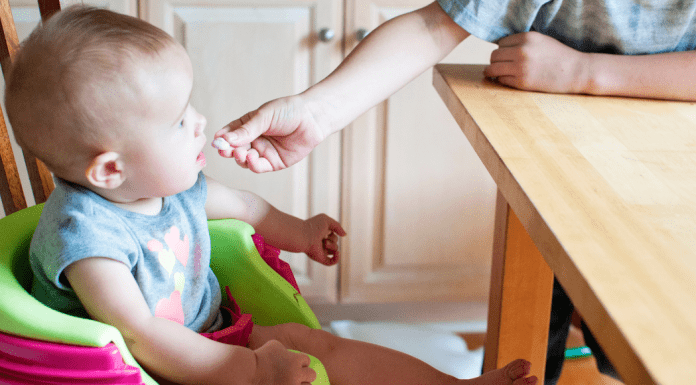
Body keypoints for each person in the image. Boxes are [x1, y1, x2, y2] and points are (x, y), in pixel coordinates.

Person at [5, 5, 539, 385]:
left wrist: (302, 232)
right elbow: (140, 336)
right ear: (110, 169)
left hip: (212, 335)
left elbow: (247, 206)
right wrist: (255, 372)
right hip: (144, 370)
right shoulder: (89, 240)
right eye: (177, 122)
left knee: (324, 346)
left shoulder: (166, 187)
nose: (200, 124)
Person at [212, 0, 696, 383]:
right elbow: (433, 26)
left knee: (642, 345)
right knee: (542, 334)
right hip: (553, 173)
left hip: (665, 191)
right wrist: (316, 112)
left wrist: (583, 72)